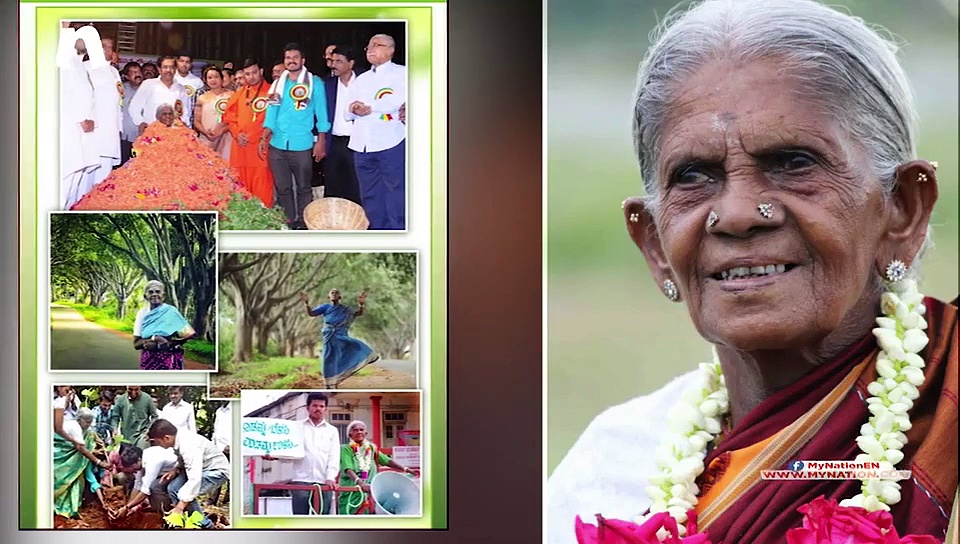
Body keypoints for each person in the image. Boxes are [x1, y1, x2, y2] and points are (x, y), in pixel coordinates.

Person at [546, 1, 958, 542]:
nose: (739, 214)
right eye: (694, 175)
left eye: (794, 163)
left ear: (902, 210)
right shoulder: (610, 471)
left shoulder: (947, 423)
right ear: (655, 245)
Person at [261, 43, 330, 229]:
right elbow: (271, 112)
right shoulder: (277, 84)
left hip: (302, 144)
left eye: (295, 57)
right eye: (288, 58)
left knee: (304, 188)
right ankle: (289, 222)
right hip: (277, 143)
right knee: (283, 188)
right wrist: (264, 135)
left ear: (303, 60)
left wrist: (321, 141)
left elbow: (322, 113)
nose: (291, 61)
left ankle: (304, 223)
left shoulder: (314, 83)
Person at [344, 34, 407, 230]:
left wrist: (369, 107)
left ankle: (398, 232)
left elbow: (396, 101)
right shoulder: (362, 78)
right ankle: (377, 231)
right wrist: (353, 109)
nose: (370, 49)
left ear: (391, 50)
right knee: (369, 194)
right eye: (368, 46)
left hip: (391, 142)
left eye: (377, 45)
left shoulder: (402, 73)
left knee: (396, 192)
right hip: (362, 145)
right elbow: (346, 109)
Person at [262, 393, 340, 515]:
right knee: (300, 517)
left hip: (324, 481)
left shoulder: (332, 431)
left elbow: (334, 456)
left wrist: (330, 478)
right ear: (307, 408)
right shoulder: (296, 427)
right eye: (315, 405)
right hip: (301, 479)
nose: (318, 409)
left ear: (325, 409)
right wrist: (275, 455)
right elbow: (290, 451)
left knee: (323, 518)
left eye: (321, 406)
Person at [146, 419, 230, 528]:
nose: (157, 445)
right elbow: (184, 460)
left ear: (166, 438)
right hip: (201, 467)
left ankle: (205, 526)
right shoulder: (178, 438)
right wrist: (176, 469)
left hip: (215, 470)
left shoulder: (188, 445)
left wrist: (180, 506)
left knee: (181, 491)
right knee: (170, 487)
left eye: (157, 441)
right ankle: (179, 520)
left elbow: (194, 479)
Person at [57, 24, 100, 209]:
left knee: (76, 179)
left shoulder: (79, 64)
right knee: (64, 178)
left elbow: (89, 97)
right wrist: (81, 118)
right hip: (69, 127)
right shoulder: (64, 59)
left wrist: (89, 119)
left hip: (83, 131)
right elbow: (63, 91)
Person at [300, 289, 379, 388]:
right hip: (329, 336)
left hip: (341, 335)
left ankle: (368, 356)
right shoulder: (325, 307)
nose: (334, 294)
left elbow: (358, 313)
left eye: (336, 293)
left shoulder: (345, 309)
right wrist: (306, 303)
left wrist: (361, 304)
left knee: (348, 350)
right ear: (329, 297)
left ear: (339, 297)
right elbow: (311, 313)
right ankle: (329, 383)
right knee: (328, 359)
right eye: (332, 293)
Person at [222, 58, 274, 207]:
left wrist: (254, 135)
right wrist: (237, 133)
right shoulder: (239, 94)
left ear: (261, 71)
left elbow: (273, 119)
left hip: (260, 149)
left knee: (262, 189)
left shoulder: (271, 92)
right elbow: (229, 118)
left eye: (254, 72)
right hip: (240, 149)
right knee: (240, 190)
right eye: (247, 74)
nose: (251, 77)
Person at [338, 420, 416, 515]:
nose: (359, 432)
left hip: (370, 490)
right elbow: (348, 469)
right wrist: (361, 483)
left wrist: (406, 469)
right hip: (352, 490)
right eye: (355, 430)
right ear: (350, 434)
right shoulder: (346, 449)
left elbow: (387, 460)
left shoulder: (371, 448)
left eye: (361, 430)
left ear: (366, 433)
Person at [323, 46, 362, 205]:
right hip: (334, 143)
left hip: (357, 142)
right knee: (332, 186)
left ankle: (358, 217)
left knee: (356, 185)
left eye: (339, 61)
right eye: (333, 61)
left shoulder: (364, 81)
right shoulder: (328, 84)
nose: (334, 65)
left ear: (351, 63)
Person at [54, 407, 110, 517]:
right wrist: (99, 462)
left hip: (77, 461)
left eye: (90, 422)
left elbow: (90, 435)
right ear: (80, 419)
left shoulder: (84, 430)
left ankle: (70, 507)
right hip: (63, 457)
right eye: (87, 422)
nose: (89, 424)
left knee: (73, 481)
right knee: (64, 481)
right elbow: (82, 448)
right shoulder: (75, 427)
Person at [84, 34, 123, 188]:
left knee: (103, 180)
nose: (107, 50)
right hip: (93, 131)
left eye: (110, 47)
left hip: (111, 132)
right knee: (87, 180)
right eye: (103, 46)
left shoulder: (114, 71)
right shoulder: (85, 67)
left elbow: (118, 102)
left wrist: (119, 128)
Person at [132, 279, 196, 370]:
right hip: (149, 361)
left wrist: (164, 345)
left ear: (164, 295)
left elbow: (187, 335)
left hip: (170, 361)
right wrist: (154, 339)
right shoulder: (142, 313)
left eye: (158, 291)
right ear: (145, 296)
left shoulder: (171, 311)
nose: (154, 294)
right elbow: (136, 344)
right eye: (150, 292)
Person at [110, 444, 184, 518]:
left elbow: (146, 491)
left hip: (179, 470)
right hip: (163, 473)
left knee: (155, 487)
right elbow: (138, 484)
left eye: (133, 467)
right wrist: (129, 507)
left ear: (138, 460)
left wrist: (127, 507)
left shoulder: (152, 461)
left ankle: (165, 513)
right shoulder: (139, 463)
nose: (133, 470)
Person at [128, 55, 189, 133]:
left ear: (175, 69)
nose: (168, 70)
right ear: (159, 69)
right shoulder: (148, 84)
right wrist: (140, 123)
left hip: (174, 134)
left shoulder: (181, 89)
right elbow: (134, 107)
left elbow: (185, 112)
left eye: (171, 67)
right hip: (152, 133)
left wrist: (184, 123)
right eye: (165, 67)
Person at [194, 65, 233, 160]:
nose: (213, 80)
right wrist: (205, 132)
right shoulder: (202, 98)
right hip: (207, 138)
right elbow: (196, 121)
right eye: (210, 77)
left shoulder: (232, 96)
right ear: (205, 80)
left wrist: (222, 130)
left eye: (216, 77)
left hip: (227, 137)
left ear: (222, 78)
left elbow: (236, 119)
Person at [114, 386, 159, 450]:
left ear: (140, 387)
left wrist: (149, 430)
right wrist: (114, 429)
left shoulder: (147, 398)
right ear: (126, 387)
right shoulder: (121, 400)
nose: (133, 392)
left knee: (140, 454)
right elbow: (115, 417)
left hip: (142, 434)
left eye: (136, 389)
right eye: (130, 389)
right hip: (126, 436)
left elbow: (155, 416)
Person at [120, 61, 144, 164]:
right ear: (127, 76)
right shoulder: (121, 89)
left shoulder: (148, 88)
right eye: (133, 72)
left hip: (142, 135)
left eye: (138, 71)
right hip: (125, 135)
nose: (137, 74)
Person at [174, 52, 204, 127]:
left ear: (191, 64)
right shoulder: (170, 78)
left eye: (187, 62)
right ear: (176, 62)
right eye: (182, 61)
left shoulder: (197, 81)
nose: (184, 64)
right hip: (171, 118)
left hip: (191, 121)